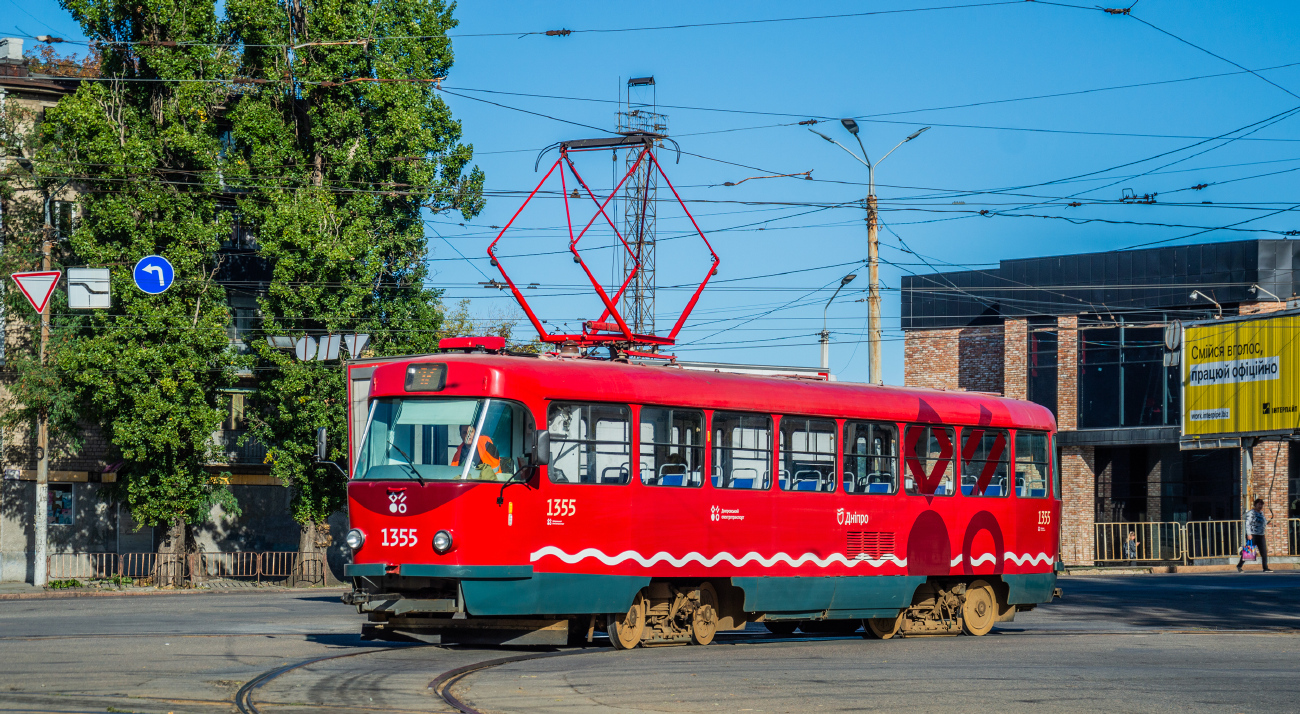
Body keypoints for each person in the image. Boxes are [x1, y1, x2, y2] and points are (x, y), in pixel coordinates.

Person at [1237, 498, 1272, 572]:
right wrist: (1249, 534)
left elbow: (1264, 521)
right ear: (1255, 505)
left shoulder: (1261, 513)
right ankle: (1239, 566)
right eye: (1259, 504)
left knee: (1264, 552)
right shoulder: (1251, 513)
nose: (1260, 506)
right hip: (1253, 535)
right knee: (1248, 552)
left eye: (1261, 504)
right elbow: (1247, 523)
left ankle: (1265, 568)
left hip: (1261, 535)